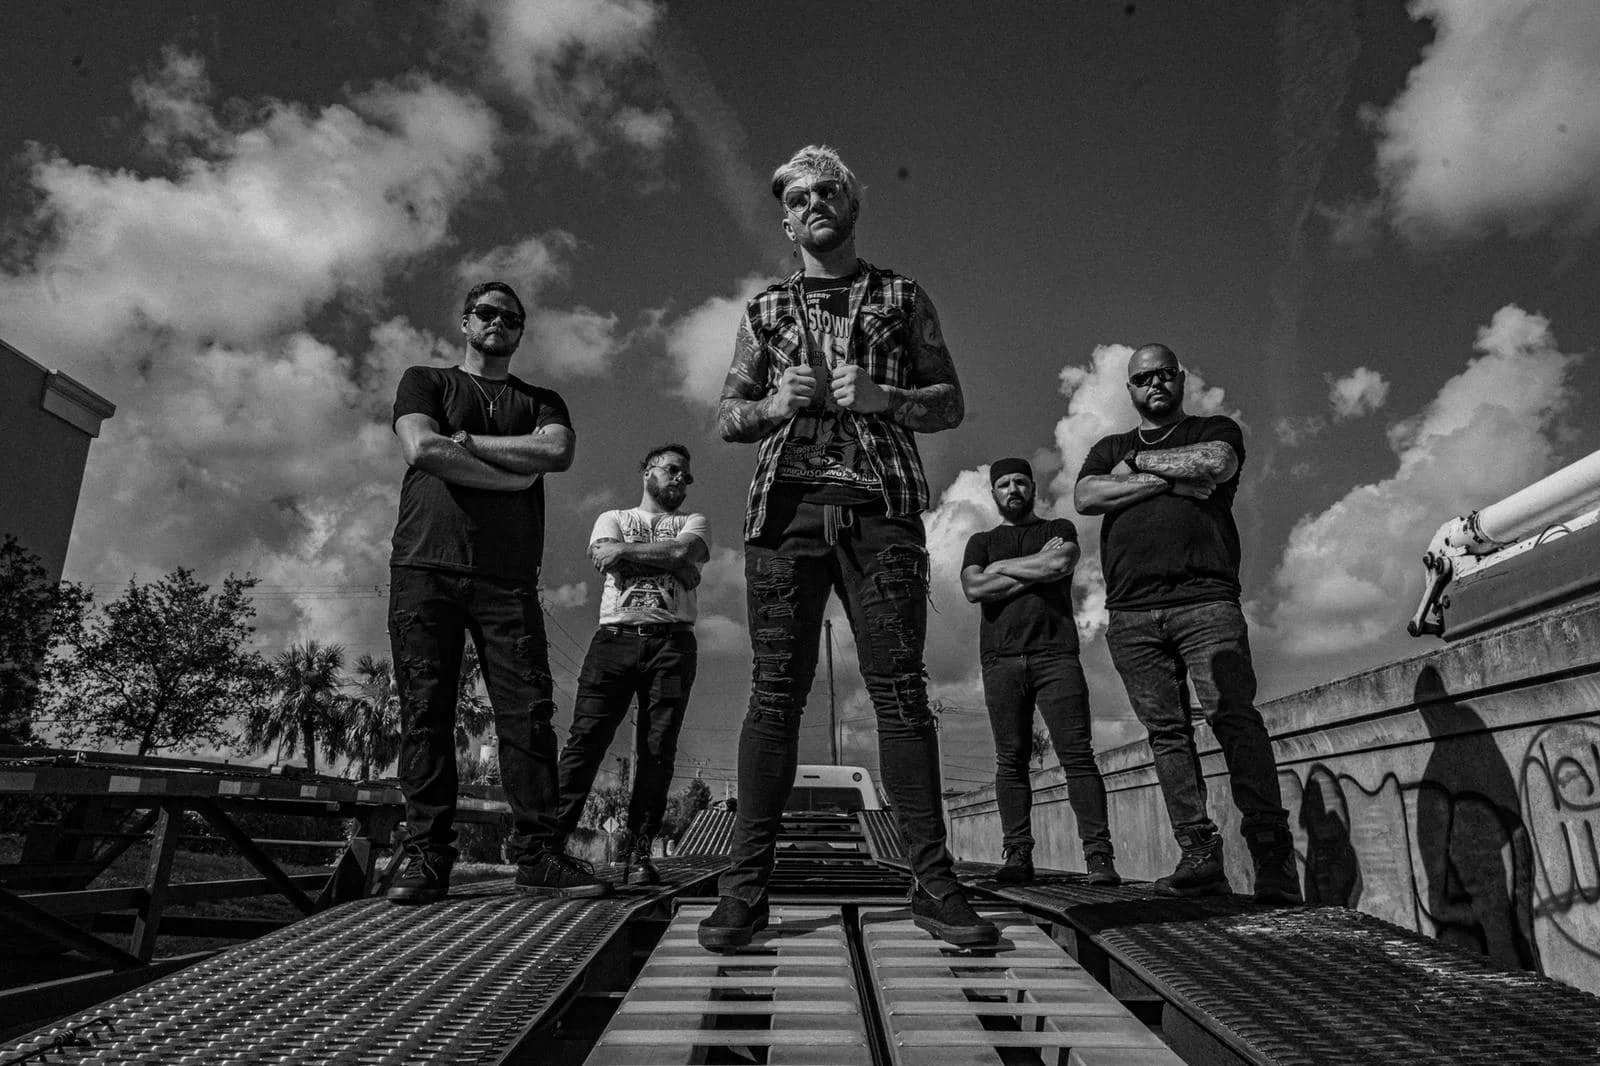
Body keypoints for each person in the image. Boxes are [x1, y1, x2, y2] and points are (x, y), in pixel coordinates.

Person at [698, 144, 997, 950]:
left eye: (830, 190)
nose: (815, 203)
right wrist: (769, 409)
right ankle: (745, 894)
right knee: (773, 698)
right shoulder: (764, 310)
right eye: (799, 197)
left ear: (852, 206)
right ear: (787, 218)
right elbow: (725, 416)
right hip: (786, 516)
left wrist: (885, 397)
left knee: (899, 694)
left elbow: (951, 403)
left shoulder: (901, 297)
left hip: (881, 511)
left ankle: (934, 887)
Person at [385, 281, 609, 903]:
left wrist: (469, 443)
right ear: (465, 322)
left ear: (521, 330)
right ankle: (427, 857)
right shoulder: (424, 381)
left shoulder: (541, 398)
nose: (500, 324)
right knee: (426, 711)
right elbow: (421, 446)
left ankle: (538, 855)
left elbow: (557, 451)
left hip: (507, 579)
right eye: (488, 313)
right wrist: (511, 477)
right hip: (425, 566)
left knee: (527, 716)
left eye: (512, 318)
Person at [1074, 343, 1301, 903]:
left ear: (1180, 380)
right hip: (1131, 614)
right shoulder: (1109, 447)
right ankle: (1199, 855)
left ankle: (1272, 859)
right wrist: (1171, 477)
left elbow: (1216, 463)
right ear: (1129, 390)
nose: (1154, 384)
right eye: (1142, 378)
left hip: (1205, 602)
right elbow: (1085, 495)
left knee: (1234, 719)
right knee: (1167, 735)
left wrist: (1140, 469)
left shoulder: (1214, 428)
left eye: (1163, 375)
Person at [555, 444, 710, 886]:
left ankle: (639, 852)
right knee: (586, 740)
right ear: (647, 473)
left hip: (673, 645)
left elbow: (686, 554)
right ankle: (550, 844)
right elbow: (609, 555)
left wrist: (631, 554)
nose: (681, 480)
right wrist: (673, 561)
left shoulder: (694, 522)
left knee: (657, 750)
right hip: (614, 640)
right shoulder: (612, 518)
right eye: (672, 471)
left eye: (687, 476)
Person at [961, 457, 1119, 887]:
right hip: (1000, 661)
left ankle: (1099, 858)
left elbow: (1058, 565)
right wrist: (1033, 568)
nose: (1012, 490)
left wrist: (1003, 571)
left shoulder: (1059, 530)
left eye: (1019, 483)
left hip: (1057, 658)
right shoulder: (981, 541)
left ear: (1032, 488)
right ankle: (1017, 855)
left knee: (1077, 756)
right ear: (993, 493)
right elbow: (975, 588)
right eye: (1003, 484)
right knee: (1010, 760)